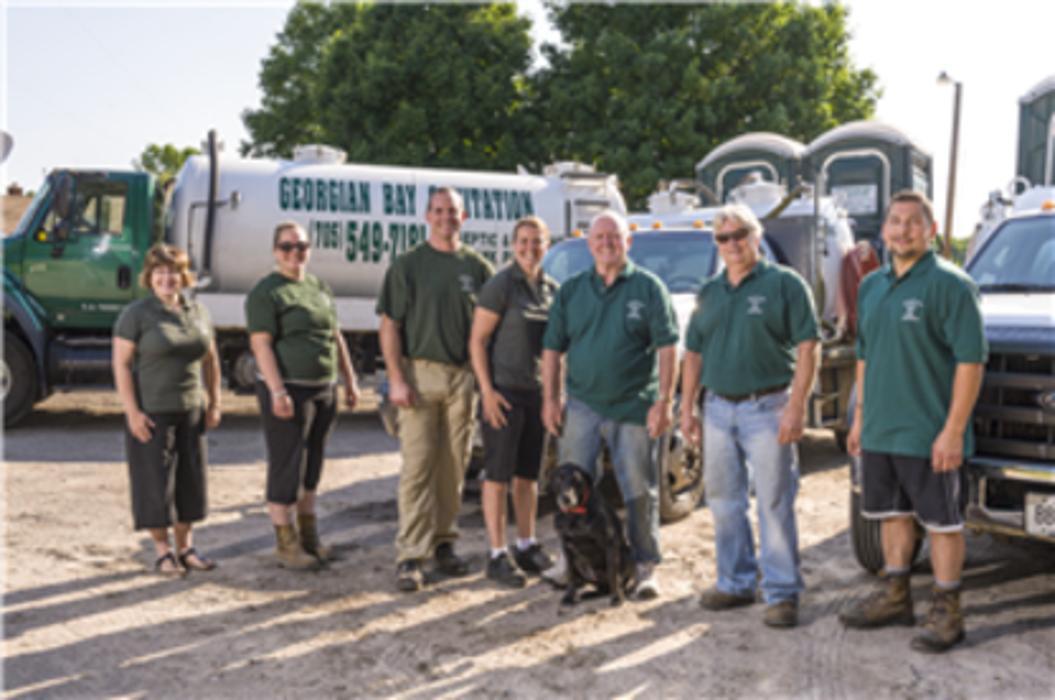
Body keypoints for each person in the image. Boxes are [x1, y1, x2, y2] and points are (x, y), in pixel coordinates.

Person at [839, 191, 986, 653]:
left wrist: (953, 429)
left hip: (930, 432)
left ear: (931, 230)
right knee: (891, 515)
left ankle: (947, 610)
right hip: (882, 429)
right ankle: (896, 595)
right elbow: (864, 356)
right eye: (894, 222)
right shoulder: (871, 286)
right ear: (883, 230)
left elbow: (970, 361)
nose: (902, 230)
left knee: (943, 522)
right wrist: (860, 417)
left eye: (912, 222)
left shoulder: (951, 284)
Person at [679, 204, 820, 628]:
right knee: (724, 502)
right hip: (718, 408)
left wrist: (796, 406)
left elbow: (808, 347)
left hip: (768, 407)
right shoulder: (709, 293)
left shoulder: (784, 284)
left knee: (774, 503)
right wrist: (687, 409)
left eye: (740, 234)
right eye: (723, 237)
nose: (732, 243)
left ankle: (781, 593)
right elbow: (694, 355)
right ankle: (736, 582)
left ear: (756, 237)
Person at [541, 210, 678, 600]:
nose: (606, 244)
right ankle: (572, 564)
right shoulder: (571, 291)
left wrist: (664, 401)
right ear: (589, 244)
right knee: (570, 484)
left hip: (634, 405)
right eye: (599, 238)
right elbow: (552, 348)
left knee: (638, 488)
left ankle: (645, 564)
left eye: (614, 237)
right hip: (582, 404)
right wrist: (551, 398)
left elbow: (668, 347)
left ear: (628, 241)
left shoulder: (649, 288)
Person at [377, 187, 494, 592]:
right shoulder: (408, 265)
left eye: (454, 211)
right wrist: (395, 378)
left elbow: (491, 325)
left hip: (462, 379)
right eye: (439, 210)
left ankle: (444, 543)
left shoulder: (477, 268)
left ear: (465, 217)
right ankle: (411, 554)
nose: (447, 217)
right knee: (417, 467)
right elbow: (390, 325)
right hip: (418, 377)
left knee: (454, 467)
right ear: (427, 215)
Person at [246, 221, 359, 570]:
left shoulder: (318, 286)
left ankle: (310, 537)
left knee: (313, 463)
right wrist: (277, 390)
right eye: (287, 247)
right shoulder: (267, 292)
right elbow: (261, 344)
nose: (295, 253)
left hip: (323, 387)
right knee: (286, 464)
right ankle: (286, 542)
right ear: (275, 251)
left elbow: (334, 335)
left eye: (301, 246)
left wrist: (350, 380)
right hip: (288, 389)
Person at [113, 243, 222, 575]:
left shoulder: (197, 312)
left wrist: (214, 401)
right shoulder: (137, 315)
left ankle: (186, 548)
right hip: (153, 412)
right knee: (155, 483)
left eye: (173, 271)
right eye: (160, 272)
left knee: (191, 481)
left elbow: (211, 359)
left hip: (191, 409)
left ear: (183, 275)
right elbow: (121, 364)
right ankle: (163, 552)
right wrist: (132, 412)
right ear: (150, 276)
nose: (167, 278)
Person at [468, 216, 558, 588]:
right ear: (513, 244)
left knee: (528, 476)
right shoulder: (500, 286)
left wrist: (554, 396)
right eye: (523, 241)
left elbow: (556, 349)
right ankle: (496, 553)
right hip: (502, 394)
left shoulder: (551, 289)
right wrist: (487, 392)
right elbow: (477, 341)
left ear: (547, 245)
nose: (529, 247)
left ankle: (526, 542)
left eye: (537, 241)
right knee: (498, 476)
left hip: (535, 394)